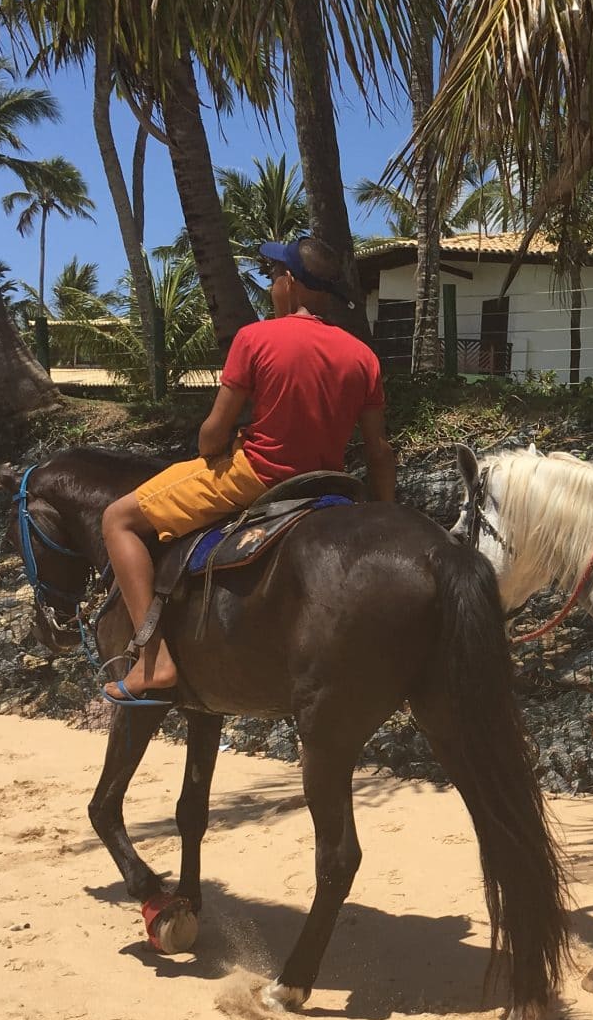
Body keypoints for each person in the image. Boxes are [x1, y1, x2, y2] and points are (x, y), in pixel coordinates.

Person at [100, 234, 398, 706]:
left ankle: (152, 661)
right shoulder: (362, 356)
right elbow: (379, 450)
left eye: (274, 275)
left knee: (117, 518)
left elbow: (212, 434)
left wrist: (214, 442)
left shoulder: (256, 338)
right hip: (329, 484)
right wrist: (386, 514)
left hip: (257, 475)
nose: (272, 284)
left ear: (291, 284)